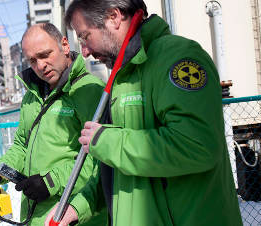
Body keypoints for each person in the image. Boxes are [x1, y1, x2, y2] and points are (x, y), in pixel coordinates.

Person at [45, 1, 243, 226]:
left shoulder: (176, 58)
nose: (85, 52)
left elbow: (196, 145)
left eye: (85, 36)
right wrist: (75, 207)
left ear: (114, 17)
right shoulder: (122, 77)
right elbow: (119, 171)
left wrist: (107, 141)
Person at [0, 23, 107, 225]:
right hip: (34, 215)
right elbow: (21, 146)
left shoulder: (90, 91)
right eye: (32, 60)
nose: (40, 66)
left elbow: (100, 160)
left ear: (64, 45)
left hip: (72, 215)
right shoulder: (32, 96)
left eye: (45, 55)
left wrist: (51, 182)